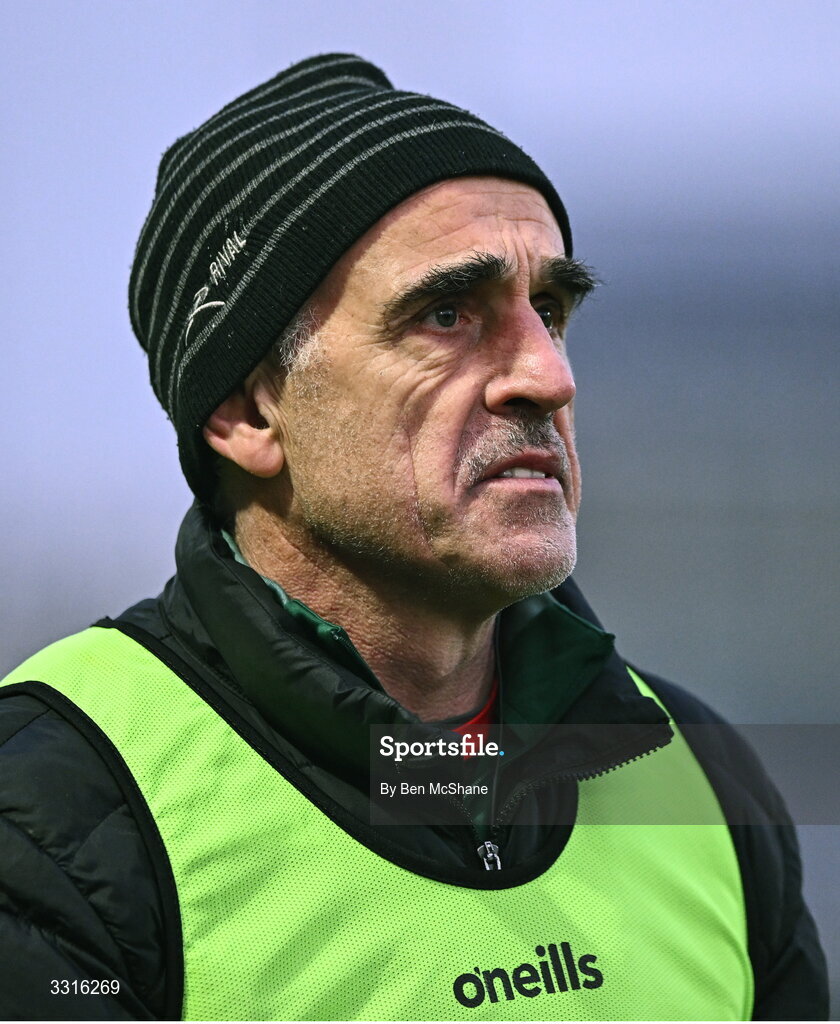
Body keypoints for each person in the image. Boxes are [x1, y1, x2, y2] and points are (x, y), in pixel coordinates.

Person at [0, 53, 828, 1021]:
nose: (547, 377)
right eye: (447, 314)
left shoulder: (698, 774)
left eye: (550, 311)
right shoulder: (52, 810)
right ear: (247, 410)